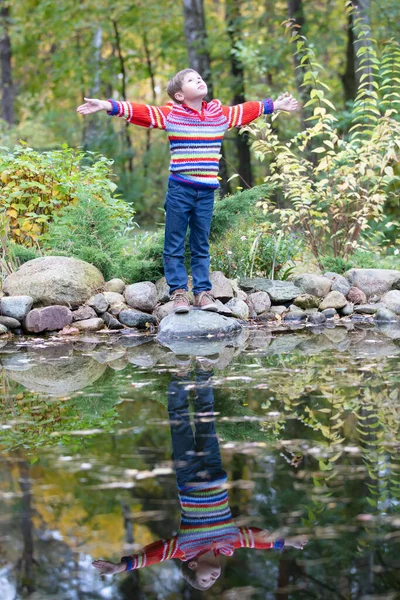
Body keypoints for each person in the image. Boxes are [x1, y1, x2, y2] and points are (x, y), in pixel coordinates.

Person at [77, 70, 298, 313]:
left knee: (200, 243)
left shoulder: (218, 114)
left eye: (200, 77)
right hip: (180, 189)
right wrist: (106, 105)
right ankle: (179, 293)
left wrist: (275, 105)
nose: (200, 80)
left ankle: (203, 293)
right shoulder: (172, 114)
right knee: (174, 242)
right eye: (192, 80)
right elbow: (140, 111)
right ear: (180, 95)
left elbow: (246, 110)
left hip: (206, 192)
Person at [92, 361, 307, 590]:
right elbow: (259, 540)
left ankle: (180, 375)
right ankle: (204, 372)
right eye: (211, 582)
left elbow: (156, 555)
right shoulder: (230, 542)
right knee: (206, 420)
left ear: (192, 566)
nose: (212, 580)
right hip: (214, 471)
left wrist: (122, 566)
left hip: (188, 476)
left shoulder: (185, 549)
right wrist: (288, 542)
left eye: (204, 580)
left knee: (180, 422)